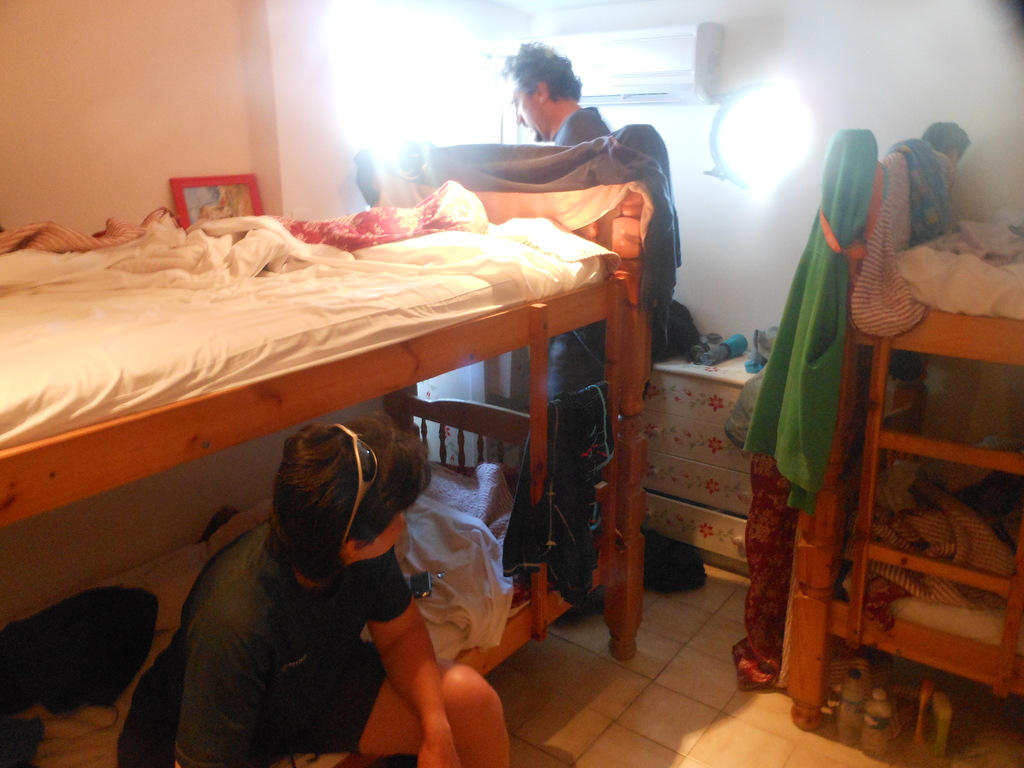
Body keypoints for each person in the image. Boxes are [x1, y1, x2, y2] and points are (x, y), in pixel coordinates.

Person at [118, 414, 509, 768]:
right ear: (354, 543)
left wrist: (436, 731)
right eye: (398, 514)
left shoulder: (358, 551)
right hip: (194, 736)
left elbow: (402, 635)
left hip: (305, 691)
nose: (403, 524)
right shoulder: (235, 618)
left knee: (471, 703)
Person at [502, 42, 611, 146]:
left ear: (541, 92)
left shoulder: (579, 132)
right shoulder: (579, 130)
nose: (519, 119)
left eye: (517, 103)